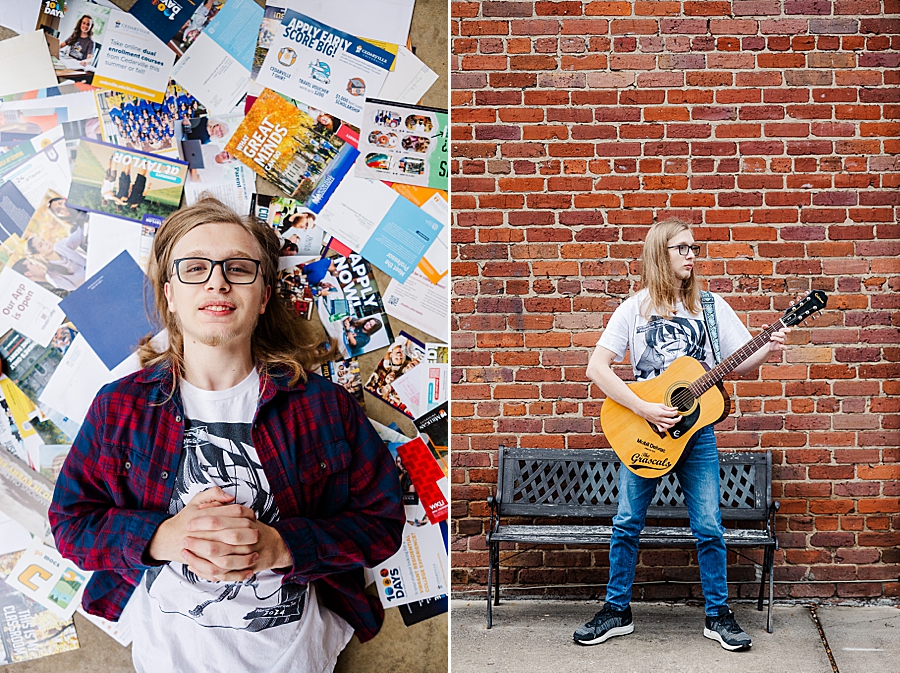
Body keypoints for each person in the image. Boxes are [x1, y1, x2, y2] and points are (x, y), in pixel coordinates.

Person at [49, 197, 405, 673]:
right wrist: (162, 537)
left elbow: (382, 525)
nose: (217, 280)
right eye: (195, 268)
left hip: (296, 657)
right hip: (166, 659)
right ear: (169, 293)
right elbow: (70, 527)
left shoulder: (324, 406)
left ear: (262, 297)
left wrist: (280, 547)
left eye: (238, 268)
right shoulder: (119, 408)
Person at [573, 218, 789, 652]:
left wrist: (768, 348)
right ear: (660, 254)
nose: (692, 255)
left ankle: (718, 615)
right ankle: (616, 611)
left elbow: (738, 361)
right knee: (626, 522)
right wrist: (642, 406)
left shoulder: (710, 307)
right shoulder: (633, 309)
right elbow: (596, 368)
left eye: (693, 247)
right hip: (644, 431)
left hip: (698, 435)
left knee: (709, 525)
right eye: (682, 248)